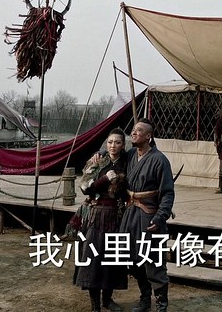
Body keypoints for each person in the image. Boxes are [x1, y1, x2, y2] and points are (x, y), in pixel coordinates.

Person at [120, 118, 174, 312]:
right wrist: (98, 154)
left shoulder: (160, 160)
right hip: (130, 215)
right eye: (133, 130)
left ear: (149, 136)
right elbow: (112, 156)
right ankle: (145, 299)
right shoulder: (130, 155)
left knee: (153, 261)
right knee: (133, 260)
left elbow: (167, 193)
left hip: (149, 217)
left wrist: (160, 218)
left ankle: (161, 305)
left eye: (139, 131)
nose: (133, 133)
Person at [74, 128, 129, 312]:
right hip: (97, 215)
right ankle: (95, 304)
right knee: (94, 260)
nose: (113, 146)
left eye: (118, 142)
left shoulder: (127, 161)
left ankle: (107, 299)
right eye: (110, 142)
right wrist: (105, 178)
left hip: (117, 216)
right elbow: (85, 188)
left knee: (113, 260)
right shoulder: (97, 160)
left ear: (123, 145)